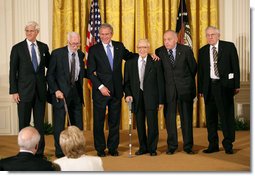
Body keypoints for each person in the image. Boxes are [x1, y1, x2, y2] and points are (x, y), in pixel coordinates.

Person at [87, 23, 136, 157]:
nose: (104, 36)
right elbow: (90, 72)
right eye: (102, 34)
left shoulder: (119, 46)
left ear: (111, 34)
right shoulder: (94, 50)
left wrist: (147, 56)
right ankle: (100, 148)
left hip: (116, 90)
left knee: (114, 121)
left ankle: (113, 148)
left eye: (107, 34)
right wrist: (101, 87)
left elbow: (131, 56)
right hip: (100, 91)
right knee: (99, 122)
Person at [9, 21, 50, 158]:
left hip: (40, 92)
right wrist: (14, 91)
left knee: (39, 124)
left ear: (37, 32)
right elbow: (13, 71)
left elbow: (50, 66)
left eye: (31, 31)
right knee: (24, 123)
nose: (28, 33)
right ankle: (24, 153)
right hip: (23, 92)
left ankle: (39, 152)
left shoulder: (43, 48)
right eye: (27, 30)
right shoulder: (17, 48)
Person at [198, 26, 240, 154]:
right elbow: (201, 72)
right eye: (208, 35)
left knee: (226, 116)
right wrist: (200, 89)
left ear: (218, 35)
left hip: (225, 86)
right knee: (211, 118)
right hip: (209, 87)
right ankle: (213, 144)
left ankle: (228, 144)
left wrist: (236, 84)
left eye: (212, 35)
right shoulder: (203, 51)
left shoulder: (229, 47)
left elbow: (235, 66)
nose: (210, 37)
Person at [155, 30, 197, 155]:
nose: (166, 42)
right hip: (168, 92)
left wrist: (185, 82)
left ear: (176, 39)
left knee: (186, 119)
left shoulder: (186, 50)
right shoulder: (159, 51)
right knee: (170, 119)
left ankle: (188, 146)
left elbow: (193, 68)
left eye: (168, 39)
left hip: (185, 90)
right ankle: (172, 146)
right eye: (164, 39)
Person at [47, 32, 86, 158]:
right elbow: (50, 75)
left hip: (76, 93)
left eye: (77, 43)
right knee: (59, 124)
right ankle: (60, 151)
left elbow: (81, 73)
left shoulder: (80, 54)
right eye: (73, 43)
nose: (75, 46)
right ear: (68, 42)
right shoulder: (57, 54)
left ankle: (76, 150)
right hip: (61, 94)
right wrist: (56, 90)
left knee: (77, 125)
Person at [124, 39, 164, 156]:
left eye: (144, 47)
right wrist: (128, 94)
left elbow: (160, 83)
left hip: (152, 98)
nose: (142, 50)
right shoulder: (130, 63)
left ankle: (152, 148)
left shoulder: (155, 62)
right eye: (140, 47)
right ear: (137, 48)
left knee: (152, 124)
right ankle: (143, 147)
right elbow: (126, 83)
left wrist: (161, 101)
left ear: (148, 48)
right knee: (140, 125)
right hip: (136, 98)